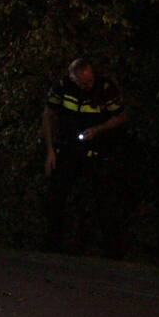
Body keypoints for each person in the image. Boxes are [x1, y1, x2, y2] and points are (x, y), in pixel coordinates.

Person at [42, 58, 129, 257]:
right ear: (72, 78)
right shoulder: (62, 87)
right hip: (67, 148)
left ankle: (111, 250)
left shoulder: (105, 88)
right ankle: (53, 246)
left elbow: (121, 116)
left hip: (97, 150)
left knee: (103, 199)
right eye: (82, 83)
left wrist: (99, 129)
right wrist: (50, 150)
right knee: (58, 196)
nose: (87, 86)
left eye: (89, 81)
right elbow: (48, 114)